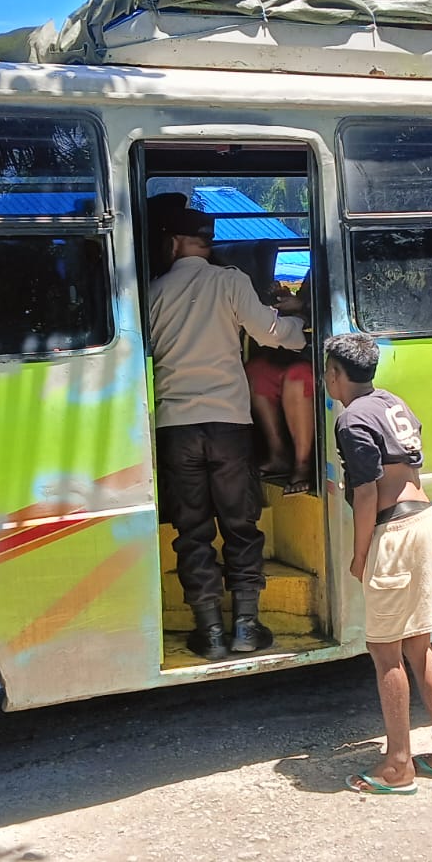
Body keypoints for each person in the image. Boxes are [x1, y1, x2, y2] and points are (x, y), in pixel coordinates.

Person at [147, 208, 307, 660]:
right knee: (240, 525)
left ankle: (210, 632)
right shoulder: (230, 281)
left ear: (173, 243)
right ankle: (246, 627)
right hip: (229, 425)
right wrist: (302, 329)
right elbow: (271, 333)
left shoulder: (154, 292)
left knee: (192, 530)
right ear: (205, 241)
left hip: (176, 427)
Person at [325, 333, 432, 796]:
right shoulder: (391, 403)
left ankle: (398, 766)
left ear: (335, 375)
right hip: (427, 521)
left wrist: (361, 554)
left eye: (327, 372)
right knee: (419, 647)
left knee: (386, 652)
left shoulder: (351, 419)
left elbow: (366, 492)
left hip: (396, 530)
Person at [245, 274, 316, 494]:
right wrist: (286, 299)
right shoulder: (312, 273)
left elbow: (332, 311)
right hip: (295, 354)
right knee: (257, 372)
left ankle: (303, 464)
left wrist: (302, 305)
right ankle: (278, 454)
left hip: (320, 361)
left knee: (296, 378)